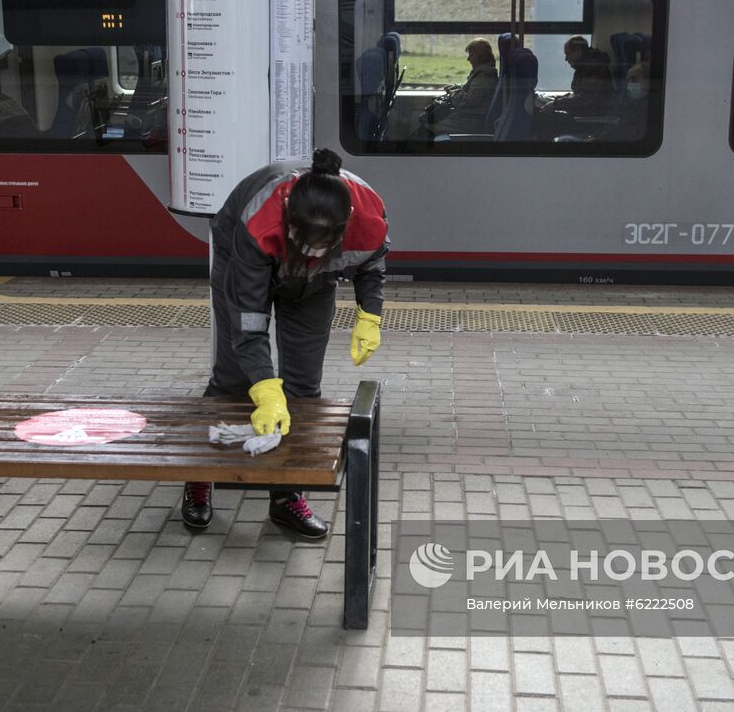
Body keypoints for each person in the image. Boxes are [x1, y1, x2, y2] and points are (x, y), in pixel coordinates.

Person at [182, 148, 390, 539]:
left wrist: (370, 315)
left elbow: (371, 263)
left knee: (303, 387)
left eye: (322, 245)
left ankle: (285, 495)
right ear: (288, 215)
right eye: (303, 241)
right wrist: (263, 386)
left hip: (314, 287)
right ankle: (199, 475)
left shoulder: (366, 215)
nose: (311, 252)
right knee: (231, 378)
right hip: (240, 259)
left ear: (344, 226)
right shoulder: (259, 222)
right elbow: (249, 321)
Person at [415, 38, 499, 137]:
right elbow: (470, 89)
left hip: (470, 121)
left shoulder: (484, 78)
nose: (468, 59)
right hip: (468, 117)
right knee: (428, 123)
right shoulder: (483, 74)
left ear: (480, 56)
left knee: (428, 126)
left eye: (471, 55)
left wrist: (453, 93)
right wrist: (456, 87)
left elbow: (468, 101)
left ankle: (411, 150)